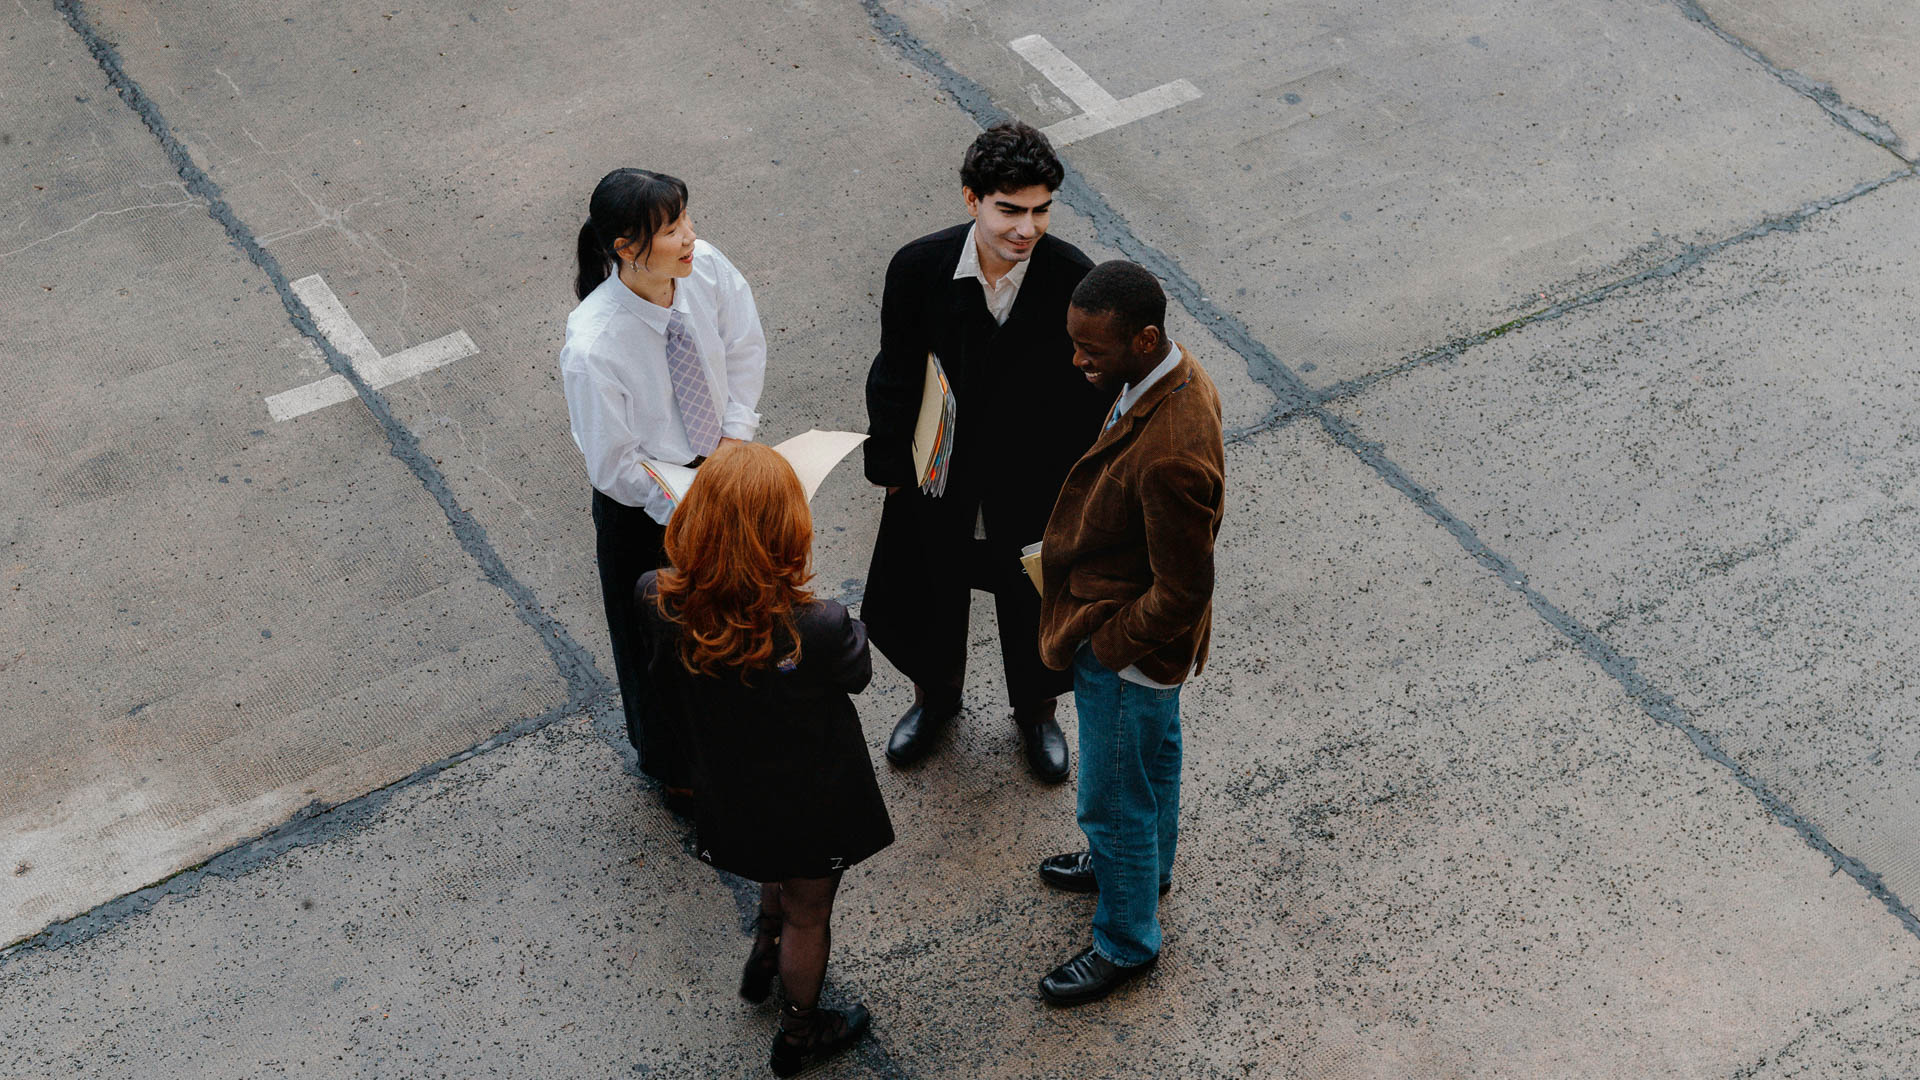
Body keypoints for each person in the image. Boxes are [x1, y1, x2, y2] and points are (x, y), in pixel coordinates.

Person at [861, 121, 1118, 783]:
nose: (1026, 229)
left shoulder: (1072, 279)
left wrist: (1079, 495)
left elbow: (1094, 396)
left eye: (1040, 211)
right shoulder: (918, 269)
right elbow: (894, 372)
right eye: (1010, 210)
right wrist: (893, 475)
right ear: (972, 199)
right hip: (939, 477)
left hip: (1032, 489)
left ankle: (1036, 715)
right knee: (930, 598)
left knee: (1033, 605)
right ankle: (936, 702)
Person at [635, 442, 891, 1076]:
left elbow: (663, 690)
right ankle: (801, 1033)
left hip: (731, 793)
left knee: (776, 873)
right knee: (813, 913)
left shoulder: (657, 600)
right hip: (813, 801)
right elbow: (857, 676)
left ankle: (765, 943)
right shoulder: (820, 625)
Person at [1031, 261, 1225, 1006]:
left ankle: (1126, 940)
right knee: (1154, 768)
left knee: (1114, 801)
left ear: (1144, 340)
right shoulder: (1167, 378)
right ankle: (1144, 872)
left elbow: (1183, 588)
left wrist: (1107, 648)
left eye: (1093, 349)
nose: (1080, 360)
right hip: (1142, 651)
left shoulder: (1170, 446)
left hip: (1130, 654)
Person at [560, 168, 767, 811]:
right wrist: (692, 500)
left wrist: (732, 442)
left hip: (722, 468)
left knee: (736, 619)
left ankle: (738, 741)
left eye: (687, 221)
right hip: (649, 508)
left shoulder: (704, 269)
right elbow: (615, 463)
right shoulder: (594, 344)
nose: (690, 238)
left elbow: (742, 347)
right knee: (655, 646)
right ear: (625, 247)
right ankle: (674, 765)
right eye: (672, 229)